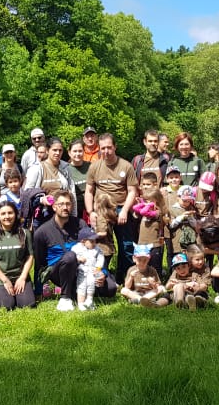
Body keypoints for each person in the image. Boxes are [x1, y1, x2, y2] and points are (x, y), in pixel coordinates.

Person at [32, 191, 116, 311]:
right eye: (61, 204)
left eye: (68, 204)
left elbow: (94, 251)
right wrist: (38, 291)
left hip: (82, 270)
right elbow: (39, 264)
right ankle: (65, 298)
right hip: (58, 272)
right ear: (54, 207)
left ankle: (77, 291)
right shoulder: (42, 232)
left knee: (110, 288)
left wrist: (102, 272)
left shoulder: (80, 224)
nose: (65, 207)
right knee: (70, 256)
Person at [84, 133, 140, 283]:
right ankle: (104, 276)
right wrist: (91, 212)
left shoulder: (126, 166)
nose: (106, 151)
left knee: (126, 245)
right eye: (103, 148)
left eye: (109, 147)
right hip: (101, 210)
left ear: (115, 147)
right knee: (102, 244)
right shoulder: (94, 167)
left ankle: (126, 277)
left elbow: (132, 191)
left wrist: (125, 210)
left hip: (121, 209)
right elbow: (89, 191)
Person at [0, 202, 35, 311]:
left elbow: (29, 257)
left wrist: (23, 278)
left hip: (20, 277)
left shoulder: (25, 233)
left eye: (10, 213)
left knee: (27, 305)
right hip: (0, 279)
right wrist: (5, 280)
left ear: (15, 214)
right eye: (3, 214)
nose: (7, 216)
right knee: (6, 306)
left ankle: (20, 294)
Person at [71, 227, 106, 311]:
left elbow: (100, 257)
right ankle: (80, 303)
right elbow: (72, 256)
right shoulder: (76, 248)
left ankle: (89, 300)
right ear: (83, 241)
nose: (94, 243)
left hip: (92, 271)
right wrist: (78, 259)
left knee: (91, 284)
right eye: (91, 241)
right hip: (82, 271)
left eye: (95, 241)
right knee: (81, 286)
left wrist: (98, 267)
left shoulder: (97, 249)